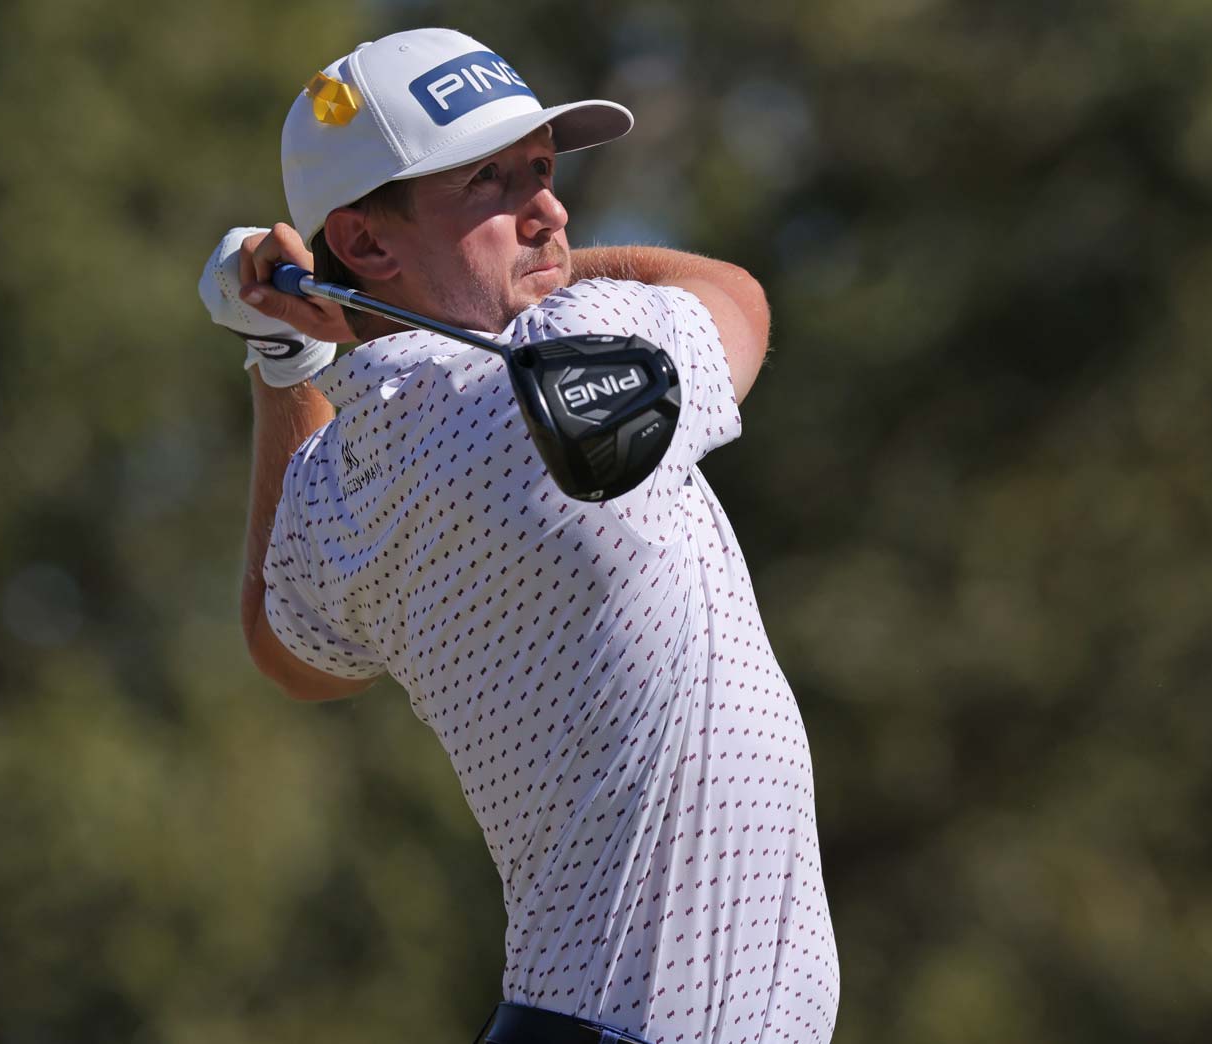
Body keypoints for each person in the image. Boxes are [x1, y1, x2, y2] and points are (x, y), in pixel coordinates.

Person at [196, 28, 838, 1044]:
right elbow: (736, 297)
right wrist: (572, 269)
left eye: (542, 171)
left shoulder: (350, 483)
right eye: (490, 186)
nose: (549, 212)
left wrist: (282, 357)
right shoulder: (557, 367)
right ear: (364, 246)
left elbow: (289, 649)